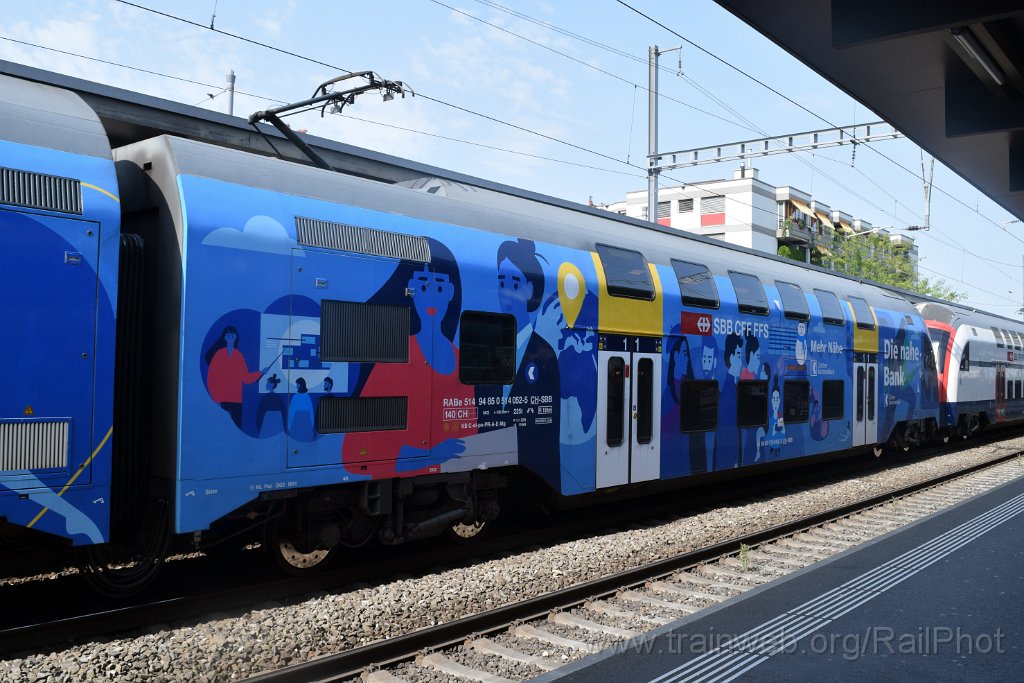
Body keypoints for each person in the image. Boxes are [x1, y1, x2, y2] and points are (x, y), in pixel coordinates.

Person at [342, 239, 476, 477]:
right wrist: (429, 454)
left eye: (440, 287)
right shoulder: (395, 355)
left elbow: (468, 440)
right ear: (411, 290)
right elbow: (353, 453)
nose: (431, 297)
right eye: (423, 287)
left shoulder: (460, 358)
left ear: (451, 292)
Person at [475, 239, 560, 487]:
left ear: (530, 289)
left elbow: (546, 437)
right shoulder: (488, 351)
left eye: (514, 283)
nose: (506, 293)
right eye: (502, 283)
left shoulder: (544, 354)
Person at [205, 325, 269, 428]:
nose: (230, 338)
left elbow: (246, 379)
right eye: (228, 336)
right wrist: (215, 399)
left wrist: (261, 372)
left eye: (233, 335)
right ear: (224, 337)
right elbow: (211, 378)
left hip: (236, 400)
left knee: (236, 428)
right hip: (222, 400)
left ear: (236, 337)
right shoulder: (219, 355)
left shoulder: (238, 355)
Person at [288, 377, 315, 441]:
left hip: (296, 426)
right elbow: (311, 413)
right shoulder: (307, 397)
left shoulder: (296, 397)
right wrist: (312, 425)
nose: (296, 386)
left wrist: (289, 426)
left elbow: (291, 412)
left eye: (297, 384)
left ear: (300, 385)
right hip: (306, 427)